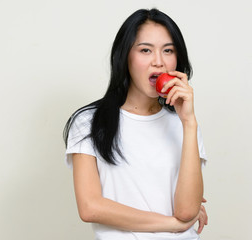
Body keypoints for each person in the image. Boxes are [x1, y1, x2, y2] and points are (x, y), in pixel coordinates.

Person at [63, 8, 208, 240]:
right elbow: (90, 207)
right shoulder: (89, 121)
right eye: (145, 50)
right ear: (125, 57)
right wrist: (171, 224)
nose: (158, 62)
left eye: (168, 50)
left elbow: (187, 211)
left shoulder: (185, 124)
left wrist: (189, 123)